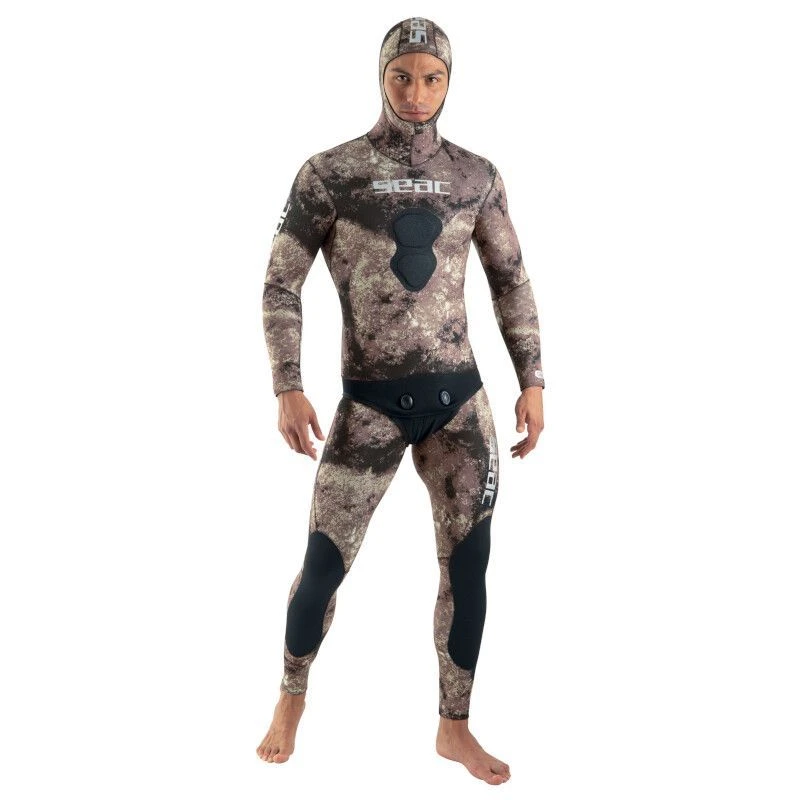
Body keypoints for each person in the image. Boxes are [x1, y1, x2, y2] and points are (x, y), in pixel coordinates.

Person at [256, 17, 545, 785]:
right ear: (381, 77)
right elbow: (281, 282)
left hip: (461, 405)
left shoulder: (475, 176)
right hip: (370, 407)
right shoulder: (331, 174)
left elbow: (511, 280)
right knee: (323, 564)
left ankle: (455, 727)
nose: (417, 92)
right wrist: (288, 384)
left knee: (468, 567)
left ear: (449, 82)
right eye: (402, 76)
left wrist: (533, 379)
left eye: (432, 77)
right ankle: (291, 696)